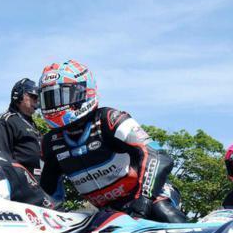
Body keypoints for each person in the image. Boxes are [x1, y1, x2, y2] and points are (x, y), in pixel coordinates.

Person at [36, 60, 186, 222]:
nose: (54, 104)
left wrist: (143, 202)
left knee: (160, 210)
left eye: (60, 96)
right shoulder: (50, 143)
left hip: (152, 195)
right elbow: (48, 194)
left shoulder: (110, 118)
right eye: (48, 98)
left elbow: (158, 156)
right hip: (110, 212)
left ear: (83, 91)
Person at [0, 78, 41, 176]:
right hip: (22, 183)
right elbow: (1, 158)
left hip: (40, 182)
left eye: (38, 98)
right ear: (20, 96)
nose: (36, 101)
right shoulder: (5, 121)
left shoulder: (31, 123)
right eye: (33, 96)